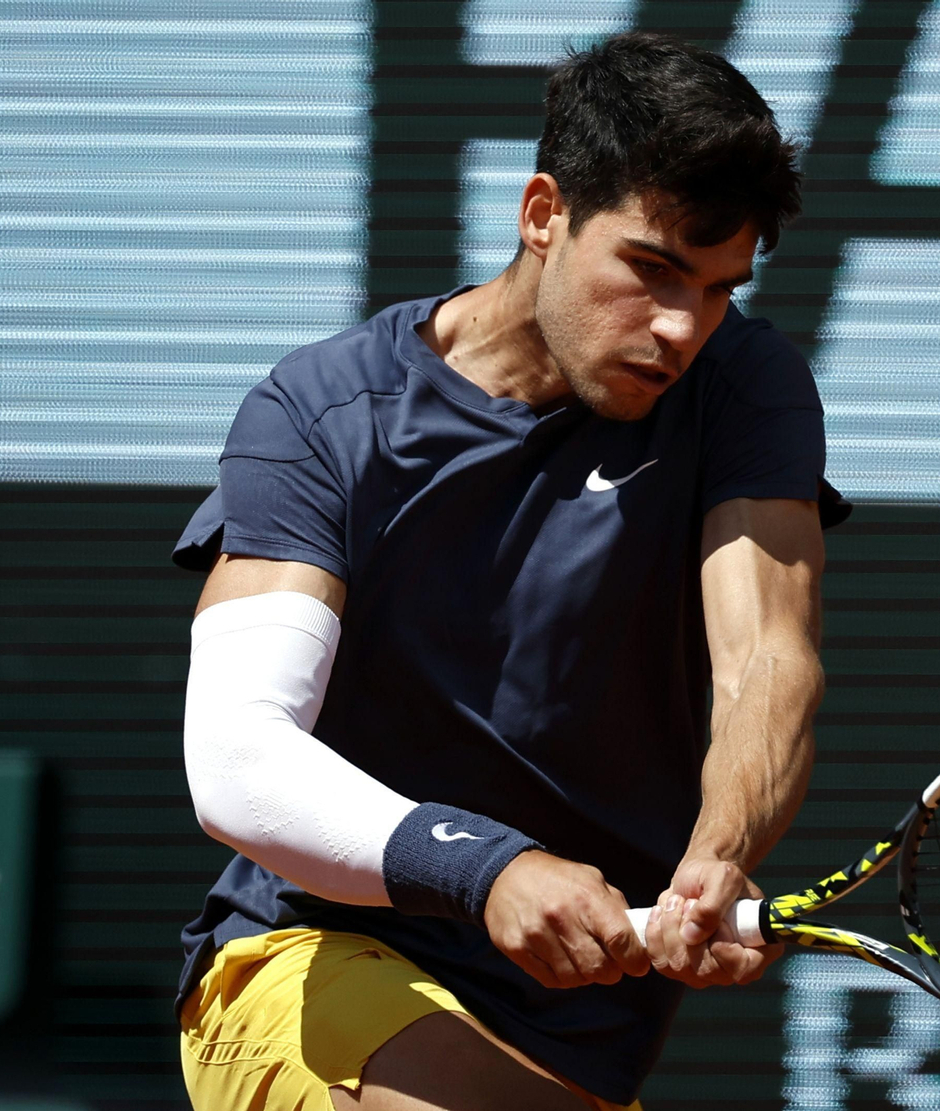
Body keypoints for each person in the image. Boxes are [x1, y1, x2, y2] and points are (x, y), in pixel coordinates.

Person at [171, 31, 847, 1111]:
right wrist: (482, 868)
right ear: (542, 214)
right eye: (653, 269)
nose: (681, 327)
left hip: (573, 1039)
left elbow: (766, 656)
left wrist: (714, 855)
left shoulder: (742, 385)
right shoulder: (321, 416)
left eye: (718, 288)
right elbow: (237, 754)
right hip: (311, 957)